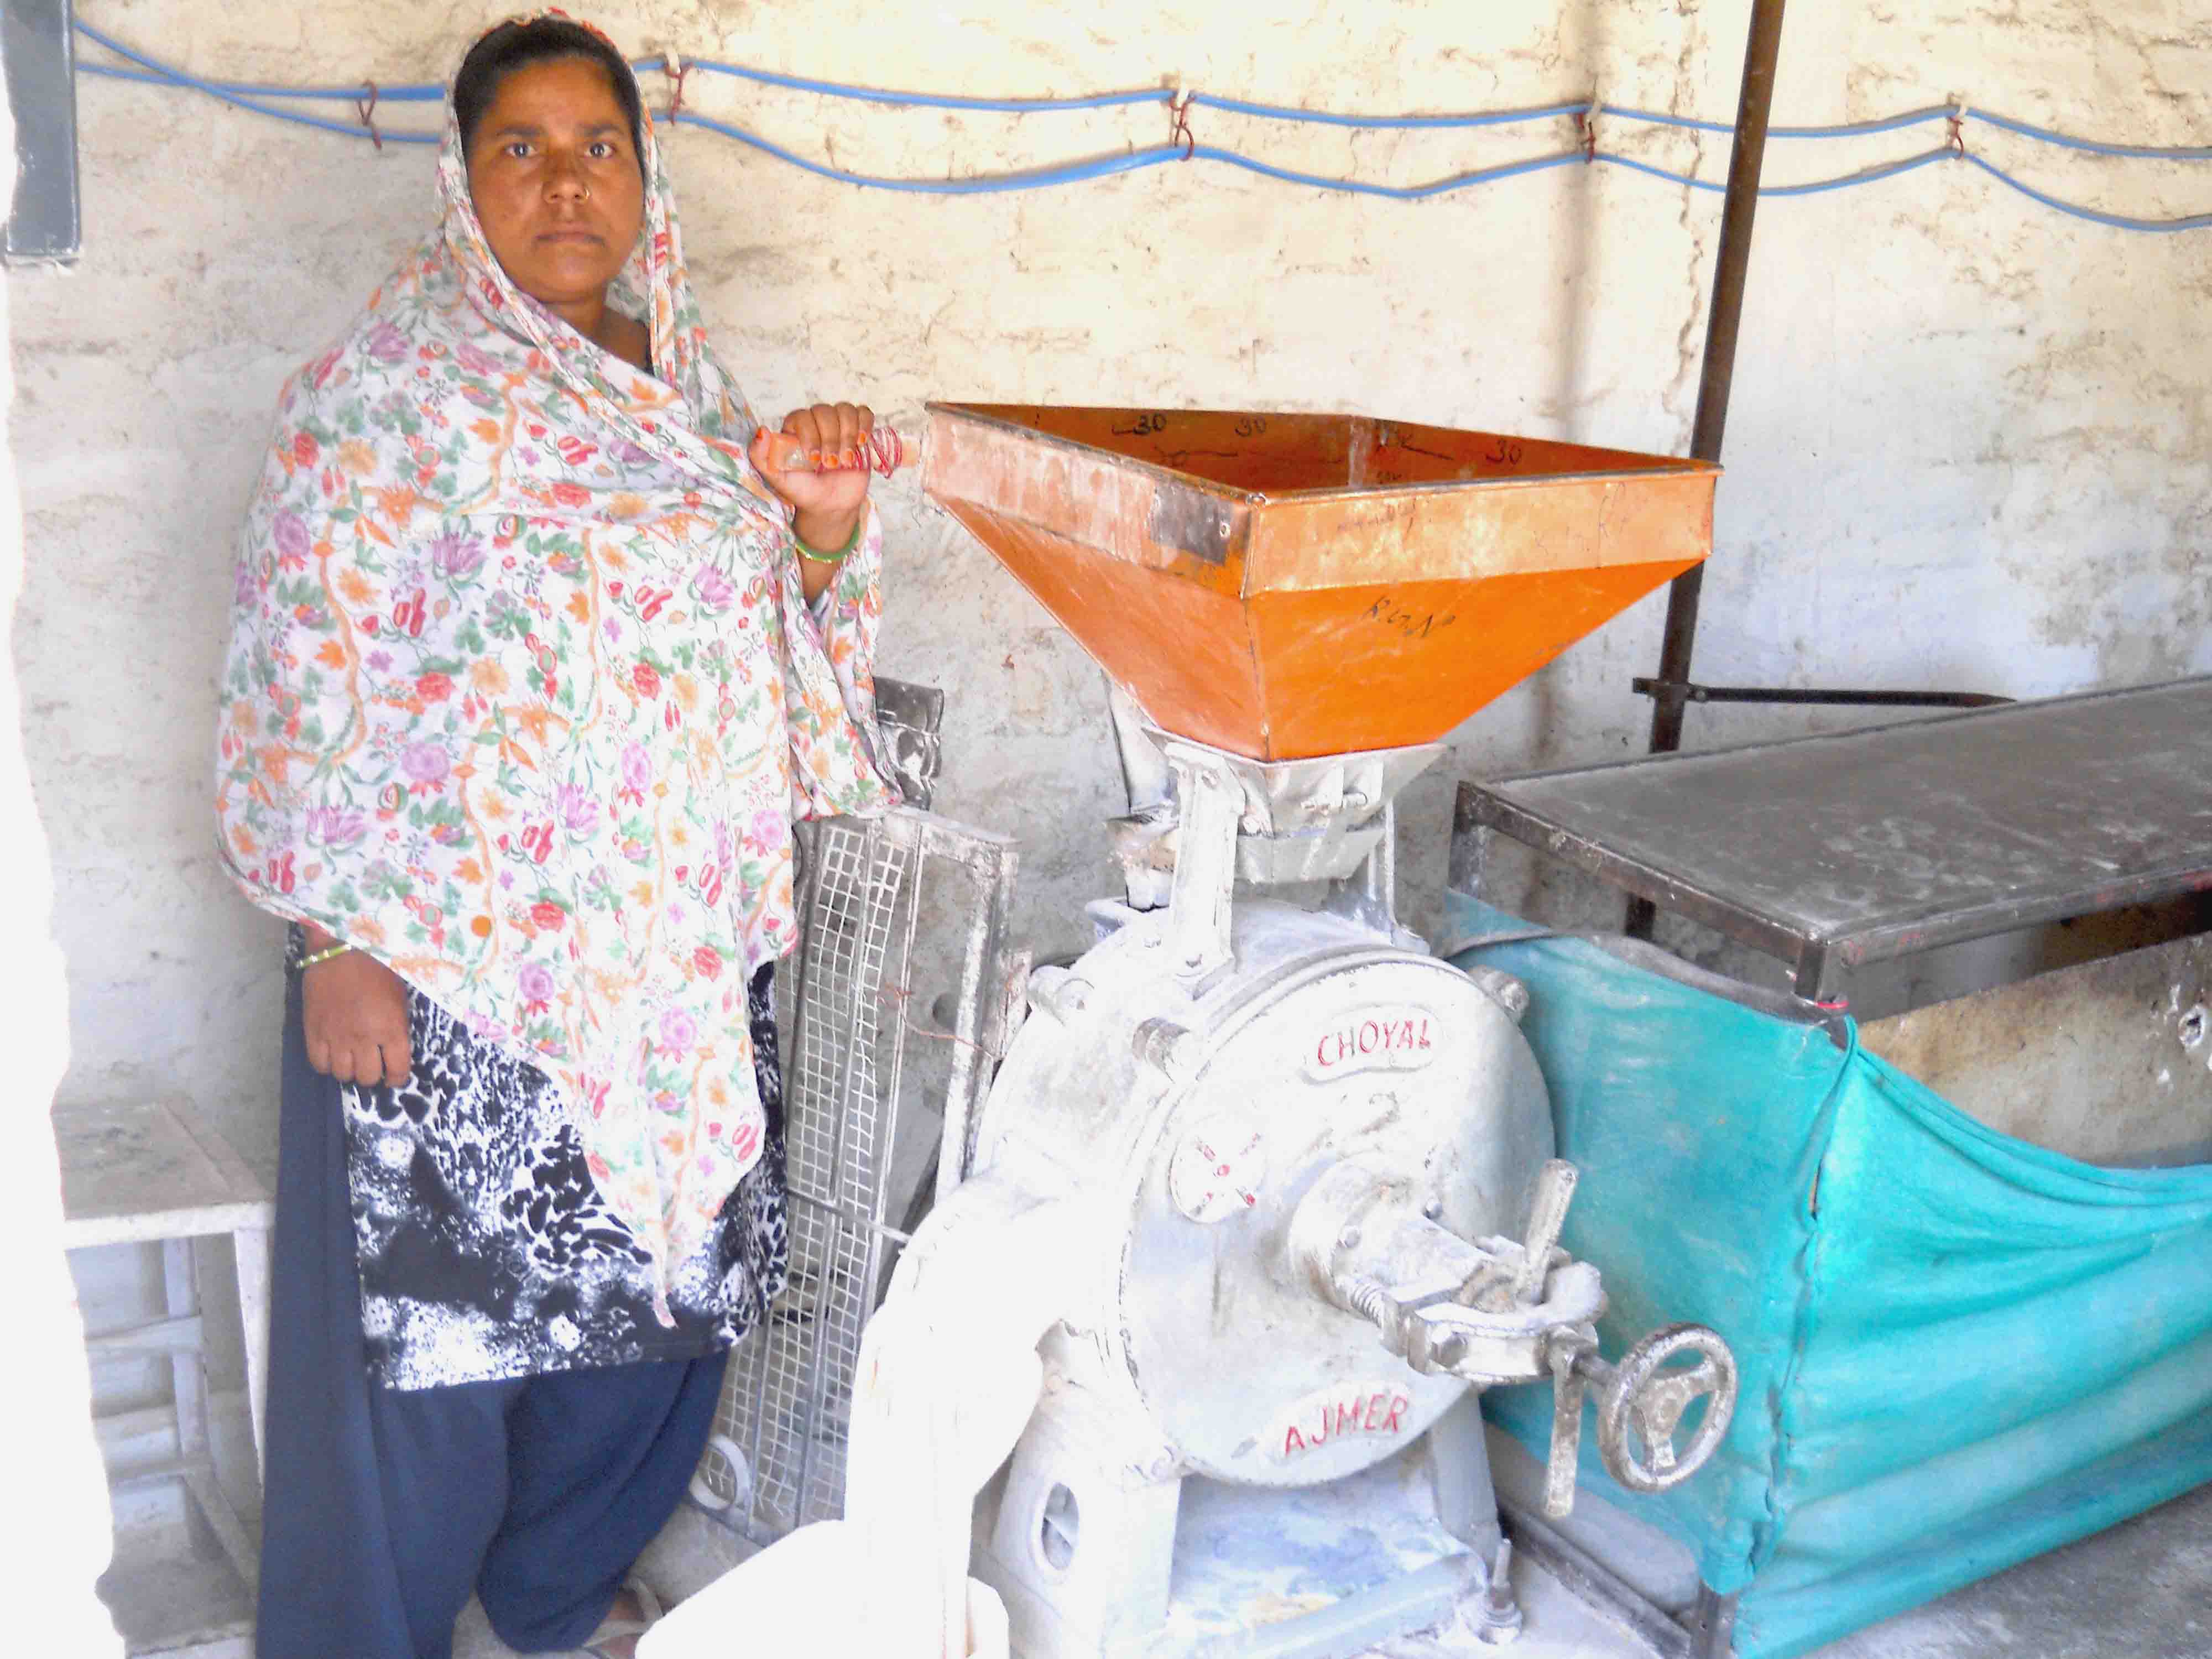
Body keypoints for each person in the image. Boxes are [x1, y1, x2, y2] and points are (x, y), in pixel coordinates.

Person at [214, 14, 899, 1657]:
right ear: (463, 187)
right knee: (427, 1358)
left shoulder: (695, 402)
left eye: (597, 146)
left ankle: (545, 1606)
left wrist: (824, 527)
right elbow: (295, 666)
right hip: (442, 965)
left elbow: (796, 687)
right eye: (518, 147)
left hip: (658, 966)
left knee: (641, 1336)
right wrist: (333, 940)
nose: (563, 181)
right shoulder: (377, 403)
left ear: (644, 185)